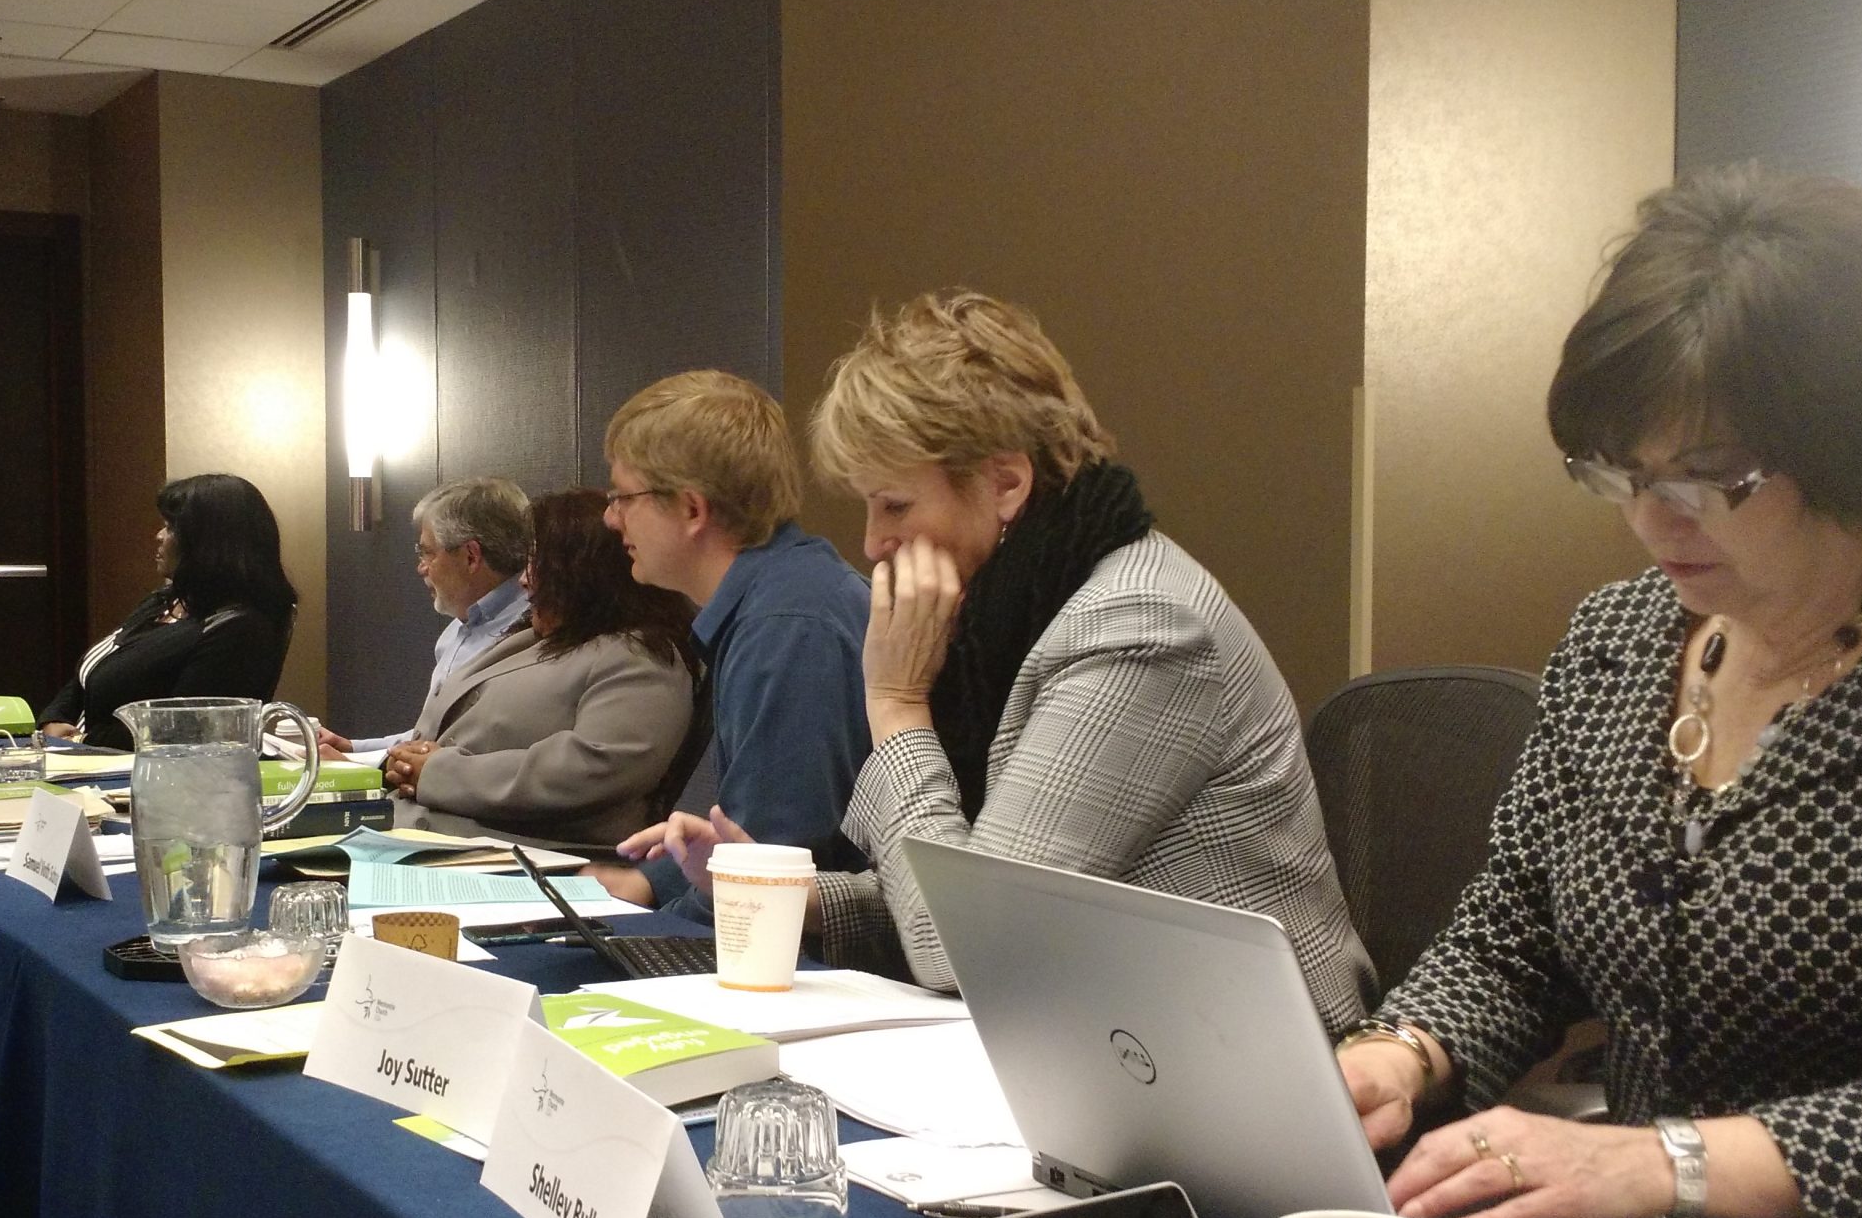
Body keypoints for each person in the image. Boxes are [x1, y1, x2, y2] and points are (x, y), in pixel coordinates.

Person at [1336, 168, 1862, 1218]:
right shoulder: (1621, 641)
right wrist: (1403, 1051)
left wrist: (1661, 1164)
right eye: (1618, 473)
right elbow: (1513, 935)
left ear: (1855, 447)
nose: (1648, 520)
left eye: (1710, 481)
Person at [623, 292, 1374, 1033]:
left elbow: (969, 946)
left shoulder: (1139, 626)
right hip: (1113, 1038)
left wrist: (895, 704)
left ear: (1006, 484)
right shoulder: (1009, 616)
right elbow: (959, 882)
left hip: (1260, 1074)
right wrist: (787, 895)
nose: (872, 543)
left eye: (894, 505)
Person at [584, 370, 873, 923]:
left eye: (624, 496)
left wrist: (648, 926)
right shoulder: (784, 596)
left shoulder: (789, 626)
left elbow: (776, 860)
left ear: (692, 510)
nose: (610, 516)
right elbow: (745, 836)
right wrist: (647, 884)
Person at [385, 490, 701, 847]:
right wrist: (406, 762)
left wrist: (440, 772)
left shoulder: (641, 657)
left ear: (582, 572)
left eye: (537, 563)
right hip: (425, 833)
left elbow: (593, 768)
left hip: (521, 859)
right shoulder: (543, 636)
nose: (524, 580)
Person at [40, 473, 294, 750]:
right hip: (81, 758)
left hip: (141, 775)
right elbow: (94, 669)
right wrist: (54, 718)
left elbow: (179, 731)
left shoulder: (241, 629)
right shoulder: (164, 601)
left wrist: (78, 740)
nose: (158, 536)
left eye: (170, 527)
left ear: (208, 541)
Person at [315, 478, 533, 757]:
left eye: (427, 553)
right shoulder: (457, 630)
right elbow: (430, 735)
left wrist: (356, 764)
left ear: (470, 556)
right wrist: (354, 748)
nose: (421, 568)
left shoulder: (527, 631)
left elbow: (465, 750)